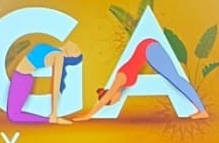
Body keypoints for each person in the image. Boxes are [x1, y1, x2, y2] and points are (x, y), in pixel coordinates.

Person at [77, 37, 208, 120]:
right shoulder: (121, 84)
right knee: (175, 79)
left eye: (113, 101)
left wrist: (89, 115)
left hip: (149, 49)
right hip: (148, 50)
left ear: (111, 95)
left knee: (176, 79)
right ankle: (201, 110)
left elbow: (104, 98)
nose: (117, 101)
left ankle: (202, 111)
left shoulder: (120, 79)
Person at [6, 40, 82, 124]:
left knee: (13, 116)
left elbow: (56, 84)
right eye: (77, 48)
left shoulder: (59, 56)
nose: (76, 47)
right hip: (20, 77)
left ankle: (51, 120)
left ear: (70, 56)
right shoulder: (54, 49)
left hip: (22, 79)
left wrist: (54, 113)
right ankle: (52, 120)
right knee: (13, 114)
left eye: (76, 51)